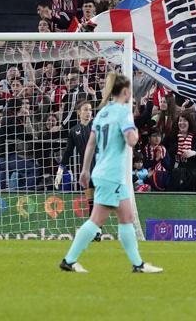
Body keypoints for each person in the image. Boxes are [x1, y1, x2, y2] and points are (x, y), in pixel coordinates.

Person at [59, 73, 162, 274]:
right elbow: (131, 140)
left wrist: (85, 169)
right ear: (125, 91)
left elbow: (91, 143)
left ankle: (138, 264)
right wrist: (136, 130)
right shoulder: (123, 113)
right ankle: (69, 260)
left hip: (105, 172)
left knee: (127, 217)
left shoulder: (102, 113)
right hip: (111, 174)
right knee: (96, 220)